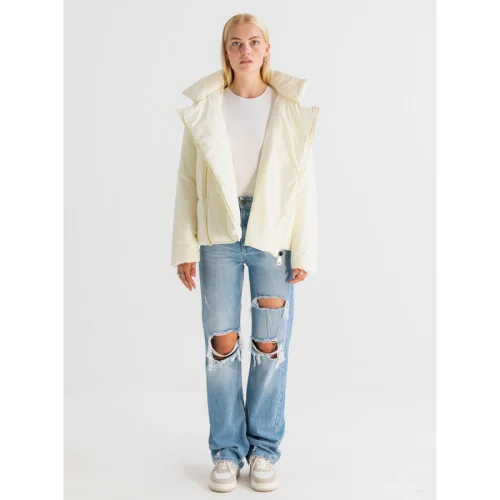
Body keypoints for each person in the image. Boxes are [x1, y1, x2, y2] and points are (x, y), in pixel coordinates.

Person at [170, 13, 319, 493]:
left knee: (270, 346)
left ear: (267, 48)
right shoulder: (207, 107)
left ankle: (263, 450)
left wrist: (304, 250)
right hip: (218, 231)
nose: (246, 50)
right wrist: (184, 246)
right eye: (236, 43)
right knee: (222, 346)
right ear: (226, 50)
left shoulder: (288, 107)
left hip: (272, 235)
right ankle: (226, 451)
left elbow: (303, 184)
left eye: (254, 41)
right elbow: (187, 180)